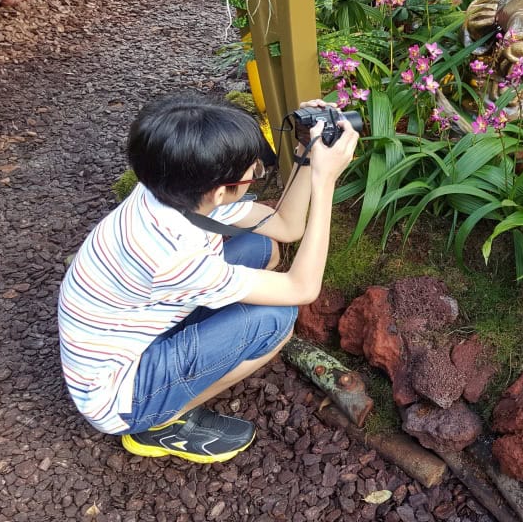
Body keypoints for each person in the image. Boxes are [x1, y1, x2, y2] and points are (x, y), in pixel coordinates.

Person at [57, 93, 359, 463]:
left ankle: (176, 374)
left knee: (264, 248)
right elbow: (303, 289)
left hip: (125, 329)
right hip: (116, 396)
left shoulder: (169, 184)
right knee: (276, 320)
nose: (256, 174)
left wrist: (308, 154)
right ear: (219, 191)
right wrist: (325, 182)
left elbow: (285, 226)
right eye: (254, 171)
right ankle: (158, 423)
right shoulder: (172, 253)